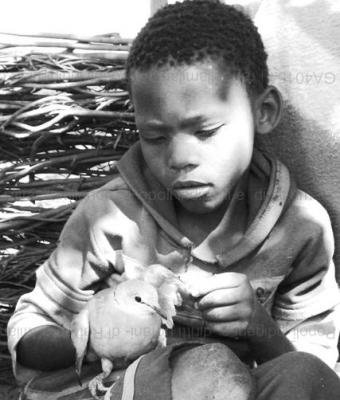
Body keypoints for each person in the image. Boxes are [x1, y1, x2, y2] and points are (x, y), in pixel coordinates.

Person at [7, 0, 340, 398]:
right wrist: (91, 333)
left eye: (206, 131)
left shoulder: (301, 228)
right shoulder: (108, 217)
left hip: (235, 389)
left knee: (302, 373)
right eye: (156, 137)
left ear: (264, 111)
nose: (180, 159)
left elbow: (316, 366)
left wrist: (259, 328)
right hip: (126, 389)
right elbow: (29, 327)